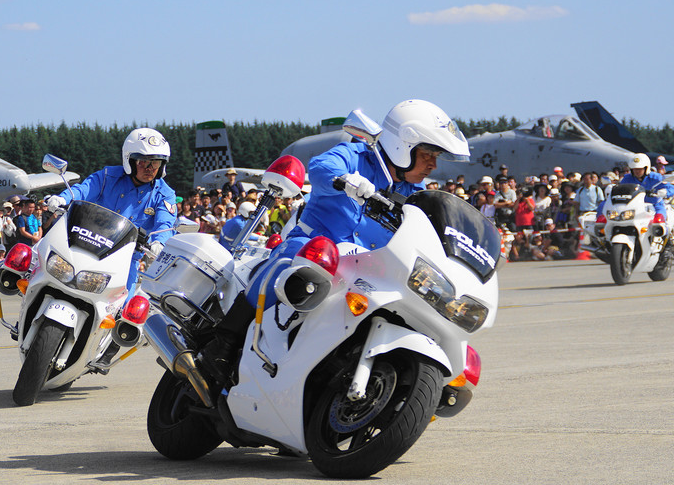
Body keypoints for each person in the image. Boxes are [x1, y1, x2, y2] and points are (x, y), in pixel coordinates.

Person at [199, 99, 470, 386]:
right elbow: (319, 167)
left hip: (363, 267)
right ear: (405, 146)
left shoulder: (414, 194)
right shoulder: (355, 156)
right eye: (428, 153)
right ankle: (224, 342)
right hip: (315, 246)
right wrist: (345, 180)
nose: (433, 163)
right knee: (291, 263)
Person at [44, 127, 178, 292]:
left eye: (155, 163)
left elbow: (165, 223)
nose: (149, 168)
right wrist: (63, 198)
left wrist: (159, 242)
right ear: (129, 160)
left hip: (125, 261)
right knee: (47, 281)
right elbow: (83, 190)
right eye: (143, 162)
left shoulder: (165, 195)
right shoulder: (107, 176)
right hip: (87, 247)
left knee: (123, 312)